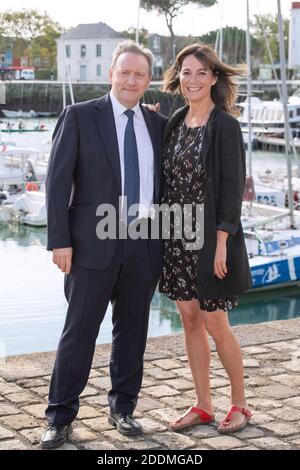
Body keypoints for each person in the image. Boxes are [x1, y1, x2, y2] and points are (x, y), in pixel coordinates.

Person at [41, 40, 167, 449]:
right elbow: (57, 182)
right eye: (125, 72)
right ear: (111, 73)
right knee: (78, 333)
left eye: (140, 74)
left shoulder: (158, 125)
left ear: (149, 80)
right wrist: (59, 241)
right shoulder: (78, 116)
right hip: (89, 247)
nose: (132, 80)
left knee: (133, 331)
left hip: (145, 244)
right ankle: (59, 416)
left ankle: (123, 408)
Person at [159, 44, 253, 434]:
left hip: (211, 239)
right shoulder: (175, 121)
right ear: (178, 78)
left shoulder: (226, 125)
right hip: (176, 236)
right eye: (186, 72)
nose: (193, 80)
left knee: (216, 322)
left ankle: (240, 404)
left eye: (201, 72)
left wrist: (220, 243)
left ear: (214, 78)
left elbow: (232, 190)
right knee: (189, 318)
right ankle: (203, 404)